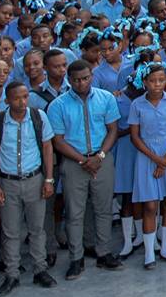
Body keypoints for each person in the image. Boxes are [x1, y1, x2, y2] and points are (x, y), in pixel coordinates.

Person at [50, 60, 123, 277]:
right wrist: (82, 160)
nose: (81, 83)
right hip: (74, 163)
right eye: (76, 80)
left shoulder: (106, 98)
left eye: (85, 78)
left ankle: (104, 253)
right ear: (69, 80)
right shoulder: (58, 105)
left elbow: (112, 130)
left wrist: (99, 156)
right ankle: (76, 258)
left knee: (103, 208)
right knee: (74, 213)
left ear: (91, 76)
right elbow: (58, 140)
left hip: (102, 159)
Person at [0, 81, 57, 290]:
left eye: (25, 97)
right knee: (11, 231)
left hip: (34, 179)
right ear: (7, 100)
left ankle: (40, 268)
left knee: (37, 229)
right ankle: (12, 273)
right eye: (16, 98)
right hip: (8, 181)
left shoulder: (38, 117)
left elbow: (47, 148)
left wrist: (48, 179)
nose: (22, 102)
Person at [123, 62, 166, 268]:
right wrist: (156, 159)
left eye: (161, 80)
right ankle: (149, 252)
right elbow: (135, 136)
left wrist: (165, 158)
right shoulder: (137, 105)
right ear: (145, 82)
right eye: (152, 81)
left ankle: (165, 247)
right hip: (147, 157)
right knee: (149, 205)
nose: (157, 84)